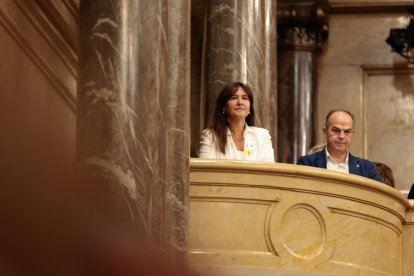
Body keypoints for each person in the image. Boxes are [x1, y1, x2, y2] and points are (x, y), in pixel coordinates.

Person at [297, 109, 382, 182]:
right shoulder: (307, 163)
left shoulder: (367, 168)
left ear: (352, 134)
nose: (341, 136)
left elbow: (381, 197)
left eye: (347, 131)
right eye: (336, 130)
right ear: (325, 132)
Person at [198, 82, 275, 162]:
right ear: (224, 107)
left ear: (249, 109)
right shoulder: (210, 136)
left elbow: (268, 171)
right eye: (234, 98)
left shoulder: (262, 136)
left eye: (244, 98)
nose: (240, 102)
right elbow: (206, 172)